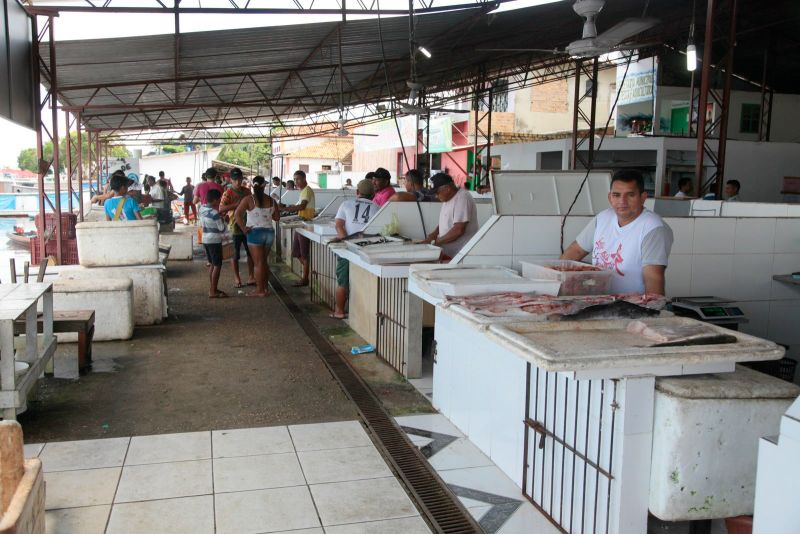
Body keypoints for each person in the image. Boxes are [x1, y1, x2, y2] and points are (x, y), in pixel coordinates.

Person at [561, 169, 673, 296]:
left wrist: (653, 310)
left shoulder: (653, 228)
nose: (622, 201)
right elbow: (575, 251)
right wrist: (555, 280)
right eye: (617, 195)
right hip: (598, 299)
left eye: (630, 195)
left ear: (643, 197)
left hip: (631, 307)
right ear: (610, 197)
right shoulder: (603, 218)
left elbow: (653, 277)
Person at [330, 179, 377, 318]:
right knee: (362, 279)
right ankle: (361, 313)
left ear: (357, 192)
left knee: (342, 281)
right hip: (367, 249)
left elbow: (339, 225)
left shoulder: (346, 204)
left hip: (348, 248)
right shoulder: (377, 207)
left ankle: (339, 311)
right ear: (373, 194)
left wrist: (346, 240)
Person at [235, 176, 280, 297]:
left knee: (258, 263)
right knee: (263, 262)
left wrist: (244, 228)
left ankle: (260, 290)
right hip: (269, 233)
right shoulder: (271, 200)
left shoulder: (248, 199)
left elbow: (237, 214)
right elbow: (277, 218)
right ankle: (264, 287)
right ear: (264, 186)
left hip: (254, 233)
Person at [423, 173, 479, 260]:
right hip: (449, 252)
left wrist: (436, 242)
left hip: (460, 255)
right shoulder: (447, 198)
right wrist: (434, 234)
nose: (436, 196)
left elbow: (458, 230)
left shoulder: (462, 198)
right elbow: (446, 220)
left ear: (447, 188)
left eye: (437, 192)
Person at [220, 168, 256, 289]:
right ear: (231, 179)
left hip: (248, 225)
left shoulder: (247, 192)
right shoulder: (228, 193)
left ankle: (251, 276)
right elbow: (221, 208)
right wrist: (236, 205)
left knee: (250, 252)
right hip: (234, 227)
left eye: (239, 179)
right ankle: (237, 278)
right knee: (234, 255)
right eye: (235, 180)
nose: (237, 182)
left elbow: (253, 206)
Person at [282, 170, 316, 286]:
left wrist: (285, 209)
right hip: (300, 223)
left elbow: (302, 206)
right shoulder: (302, 191)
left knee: (304, 254)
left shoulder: (306, 190)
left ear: (304, 178)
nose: (296, 181)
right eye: (295, 179)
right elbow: (300, 206)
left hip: (305, 224)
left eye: (298, 179)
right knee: (296, 253)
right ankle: (308, 271)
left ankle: (305, 278)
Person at [200, 188, 228, 298]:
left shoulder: (202, 209)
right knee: (217, 265)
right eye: (219, 199)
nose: (220, 201)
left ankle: (212, 288)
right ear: (216, 200)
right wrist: (225, 220)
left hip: (205, 238)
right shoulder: (215, 213)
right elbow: (221, 228)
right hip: (214, 240)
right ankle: (213, 291)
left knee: (212, 264)